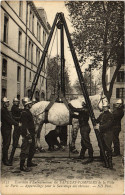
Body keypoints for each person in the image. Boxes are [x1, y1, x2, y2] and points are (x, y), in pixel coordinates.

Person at [20, 97, 37, 172]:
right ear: (27, 104)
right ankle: (22, 166)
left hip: (31, 134)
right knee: (25, 150)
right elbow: (24, 126)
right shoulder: (24, 113)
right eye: (30, 103)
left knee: (32, 149)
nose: (31, 104)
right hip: (28, 135)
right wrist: (28, 136)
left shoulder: (28, 111)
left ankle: (29, 162)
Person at [96, 102, 114, 169]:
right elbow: (97, 120)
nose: (104, 108)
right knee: (101, 145)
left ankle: (110, 163)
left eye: (105, 107)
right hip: (102, 133)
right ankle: (103, 159)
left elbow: (108, 124)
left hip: (108, 133)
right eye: (103, 107)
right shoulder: (102, 114)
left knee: (108, 147)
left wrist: (99, 127)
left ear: (108, 107)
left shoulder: (110, 115)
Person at [1, 97, 19, 166]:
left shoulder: (6, 110)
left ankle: (4, 159)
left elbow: (12, 118)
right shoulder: (3, 110)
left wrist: (20, 118)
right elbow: (9, 120)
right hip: (5, 129)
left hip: (7, 128)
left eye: (8, 102)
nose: (8, 103)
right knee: (6, 144)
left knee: (6, 144)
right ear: (3, 103)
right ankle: (5, 160)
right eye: (7, 102)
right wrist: (17, 124)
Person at [9, 98, 22, 164]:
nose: (16, 102)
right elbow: (13, 117)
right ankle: (10, 159)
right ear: (13, 102)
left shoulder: (17, 107)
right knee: (15, 143)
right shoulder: (14, 108)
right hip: (17, 126)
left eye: (17, 101)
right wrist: (20, 118)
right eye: (15, 102)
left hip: (19, 125)